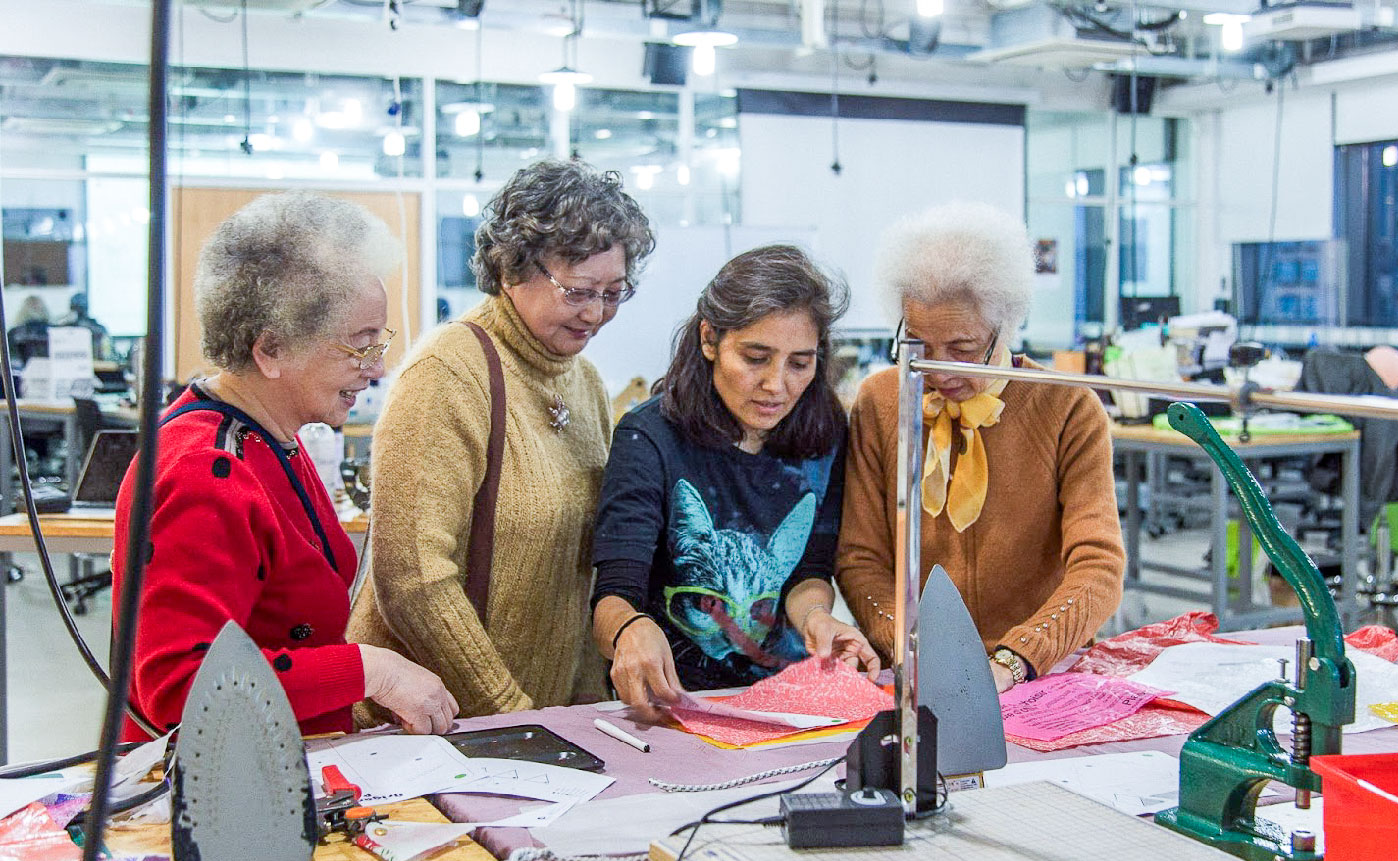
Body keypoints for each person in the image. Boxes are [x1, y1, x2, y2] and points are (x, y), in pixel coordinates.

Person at [120, 192, 456, 735]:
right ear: (270, 350)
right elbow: (183, 690)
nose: (375, 368)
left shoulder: (272, 440)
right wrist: (372, 671)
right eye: (360, 344)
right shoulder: (206, 471)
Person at [350, 158, 655, 720]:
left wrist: (586, 708)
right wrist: (511, 711)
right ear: (512, 269)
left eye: (615, 293)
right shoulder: (448, 374)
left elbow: (580, 572)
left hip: (545, 720)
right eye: (578, 291)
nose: (597, 313)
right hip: (439, 727)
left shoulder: (584, 383)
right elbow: (413, 577)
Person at [834, 203, 1122, 686]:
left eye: (963, 349)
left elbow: (1099, 567)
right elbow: (859, 557)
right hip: (915, 671)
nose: (939, 370)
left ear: (1003, 327)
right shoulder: (881, 401)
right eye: (919, 346)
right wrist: (907, 646)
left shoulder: (1068, 407)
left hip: (1039, 673)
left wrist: (1016, 660)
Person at [591, 244, 872, 720]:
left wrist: (819, 620)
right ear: (709, 339)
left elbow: (806, 575)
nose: (776, 385)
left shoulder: (824, 437)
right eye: (755, 358)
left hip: (786, 700)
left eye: (799, 363)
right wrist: (629, 629)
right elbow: (613, 597)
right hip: (675, 701)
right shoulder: (650, 437)